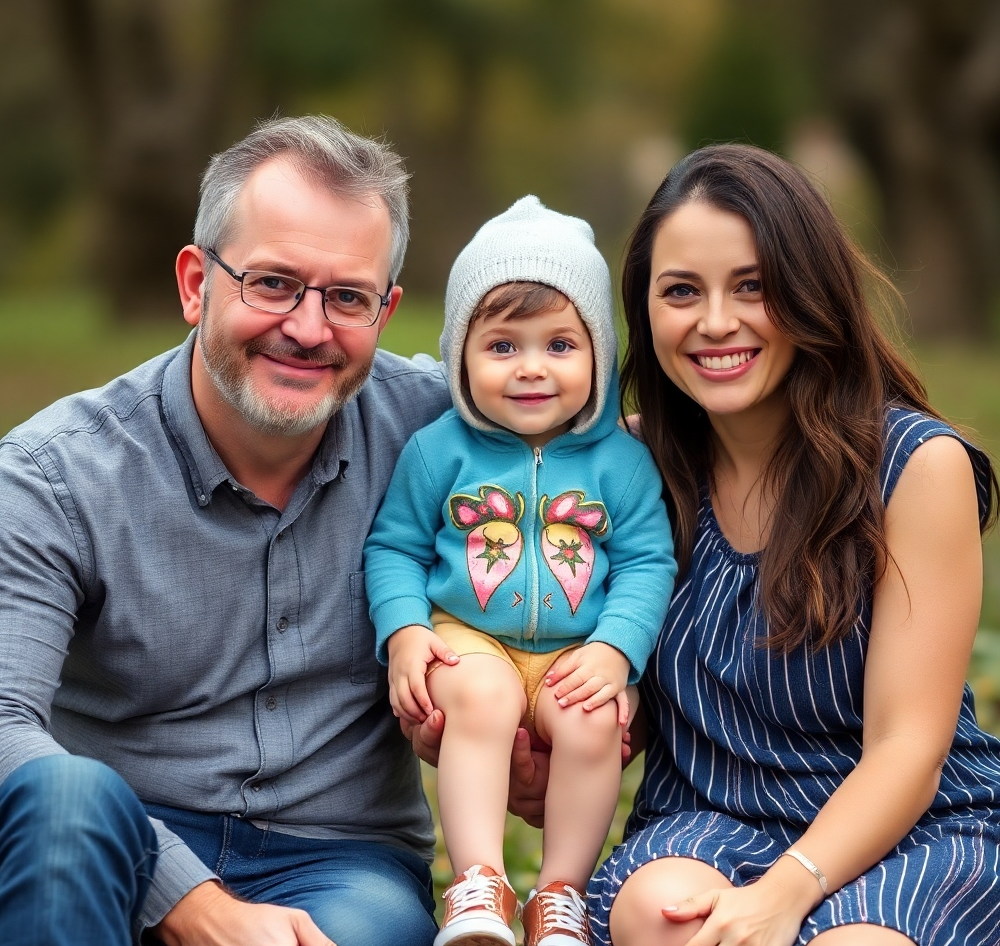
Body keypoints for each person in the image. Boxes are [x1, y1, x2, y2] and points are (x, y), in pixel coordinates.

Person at [0, 115, 453, 946]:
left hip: (339, 863)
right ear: (194, 282)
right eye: (273, 283)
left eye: (346, 297)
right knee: (67, 799)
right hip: (114, 842)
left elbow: (603, 435)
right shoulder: (53, 476)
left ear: (386, 310)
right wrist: (189, 901)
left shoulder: (441, 435)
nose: (310, 328)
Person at [577, 144, 1000, 946]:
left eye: (752, 286)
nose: (714, 322)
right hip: (711, 816)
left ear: (810, 293)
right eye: (680, 292)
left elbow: (910, 745)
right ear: (644, 311)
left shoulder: (913, 468)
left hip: (908, 822)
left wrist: (786, 891)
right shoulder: (634, 470)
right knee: (660, 916)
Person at [364, 196, 676, 946]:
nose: (532, 368)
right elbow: (394, 547)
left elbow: (645, 561)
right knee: (481, 691)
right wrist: (405, 630)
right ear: (460, 357)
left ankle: (561, 892)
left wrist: (615, 649)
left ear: (598, 352)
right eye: (502, 346)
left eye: (560, 345)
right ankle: (477, 881)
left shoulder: (623, 464)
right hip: (468, 634)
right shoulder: (439, 451)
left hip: (576, 646)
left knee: (592, 715)